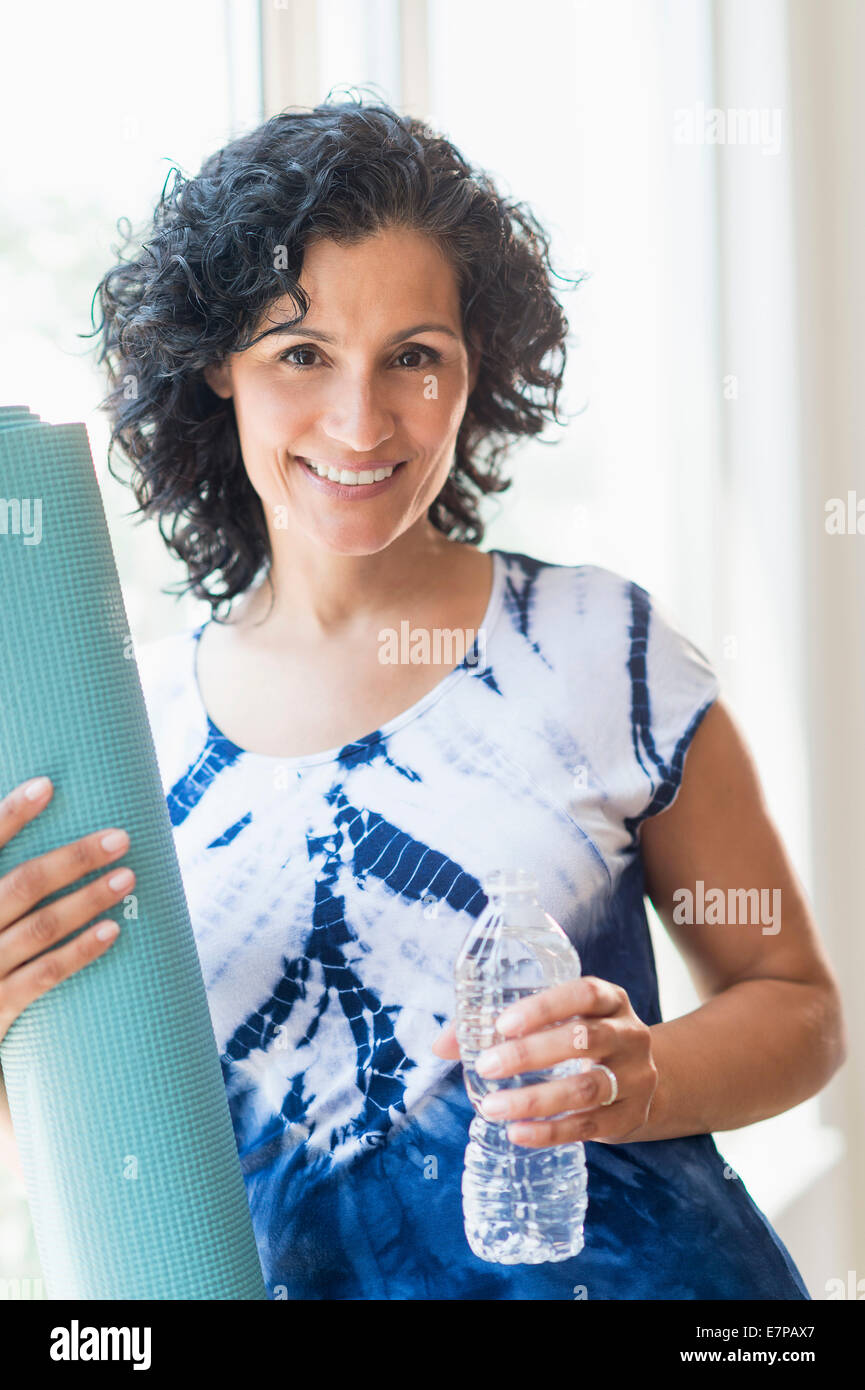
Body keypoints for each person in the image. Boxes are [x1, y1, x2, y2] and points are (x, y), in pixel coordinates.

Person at [0, 99, 845, 1299]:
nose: (360, 421)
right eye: (301, 354)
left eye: (413, 355)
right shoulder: (127, 740)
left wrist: (637, 1074)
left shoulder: (603, 647)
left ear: (472, 369)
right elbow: (116, 1176)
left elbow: (799, 1008)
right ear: (216, 369)